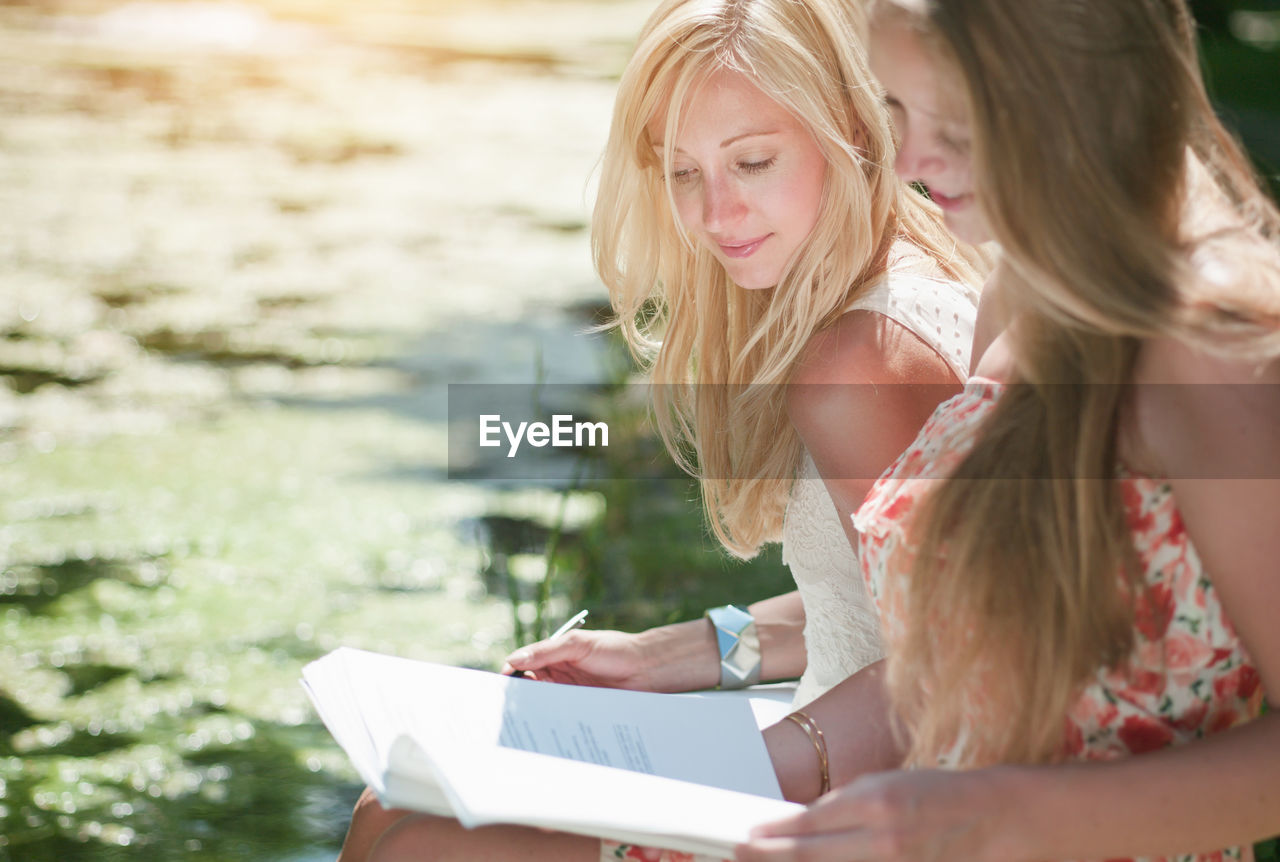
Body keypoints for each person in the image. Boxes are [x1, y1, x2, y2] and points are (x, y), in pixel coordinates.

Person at [336, 0, 988, 859]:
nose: (716, 215)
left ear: (853, 130)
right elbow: (881, 601)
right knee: (387, 805)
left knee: (413, 843)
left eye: (752, 161)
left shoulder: (857, 363)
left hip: (882, 808)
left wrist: (717, 781)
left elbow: (958, 671)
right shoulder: (907, 263)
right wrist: (676, 654)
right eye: (682, 173)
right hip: (850, 758)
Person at [736, 0, 1280, 860]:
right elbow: (955, 673)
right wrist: (747, 770)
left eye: (954, 121)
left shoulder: (1215, 346)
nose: (910, 162)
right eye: (899, 111)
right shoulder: (1022, 284)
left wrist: (1002, 818)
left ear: (1080, 83)